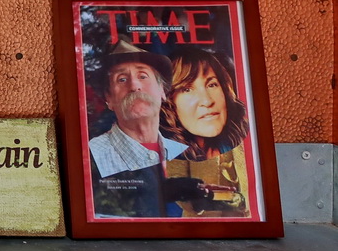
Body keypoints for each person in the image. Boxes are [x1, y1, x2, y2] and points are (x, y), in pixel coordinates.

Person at [88, 40, 194, 217]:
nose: (134, 86)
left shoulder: (186, 154)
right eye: (122, 79)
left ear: (162, 91)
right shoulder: (92, 156)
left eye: (143, 76)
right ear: (109, 99)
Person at [162, 47, 249, 160]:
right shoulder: (164, 159)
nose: (207, 101)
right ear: (167, 103)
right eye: (187, 89)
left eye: (212, 85)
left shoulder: (241, 144)